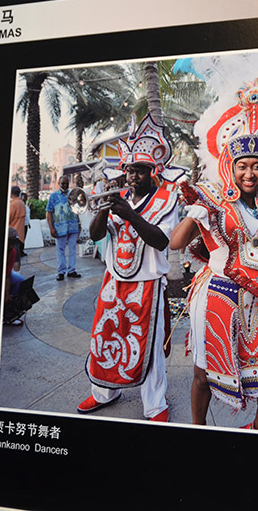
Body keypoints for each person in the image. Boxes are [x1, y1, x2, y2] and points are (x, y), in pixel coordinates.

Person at [169, 76, 258, 430]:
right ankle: (198, 427)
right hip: (218, 295)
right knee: (203, 375)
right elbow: (175, 243)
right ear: (229, 166)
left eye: (257, 165)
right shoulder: (211, 198)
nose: (249, 173)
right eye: (242, 166)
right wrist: (194, 214)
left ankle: (257, 431)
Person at [77, 113, 178, 422]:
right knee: (105, 336)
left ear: (153, 172)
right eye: (129, 171)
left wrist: (131, 215)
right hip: (113, 280)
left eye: (140, 172)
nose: (132, 177)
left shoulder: (167, 199)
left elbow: (161, 241)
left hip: (148, 284)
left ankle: (154, 405)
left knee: (147, 347)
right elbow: (95, 236)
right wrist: (104, 211)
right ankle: (104, 392)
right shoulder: (117, 197)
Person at [46, 175, 81, 281]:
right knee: (60, 250)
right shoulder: (53, 196)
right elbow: (49, 212)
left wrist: (79, 224)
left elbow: (77, 209)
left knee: (73, 249)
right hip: (60, 228)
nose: (65, 185)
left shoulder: (73, 194)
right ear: (58, 183)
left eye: (67, 183)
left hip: (73, 226)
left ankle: (71, 271)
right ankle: (61, 272)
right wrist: (51, 228)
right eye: (63, 184)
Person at [8, 186, 27, 255]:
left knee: (13, 257)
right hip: (20, 235)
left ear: (11, 193)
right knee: (16, 258)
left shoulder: (13, 204)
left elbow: (8, 219)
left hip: (12, 234)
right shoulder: (22, 203)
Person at [20, 191, 31, 256]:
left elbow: (27, 215)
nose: (26, 198)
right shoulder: (21, 205)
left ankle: (22, 250)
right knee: (21, 238)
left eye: (26, 197)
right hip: (22, 225)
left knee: (24, 238)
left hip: (26, 224)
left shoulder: (26, 205)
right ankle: (20, 251)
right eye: (24, 197)